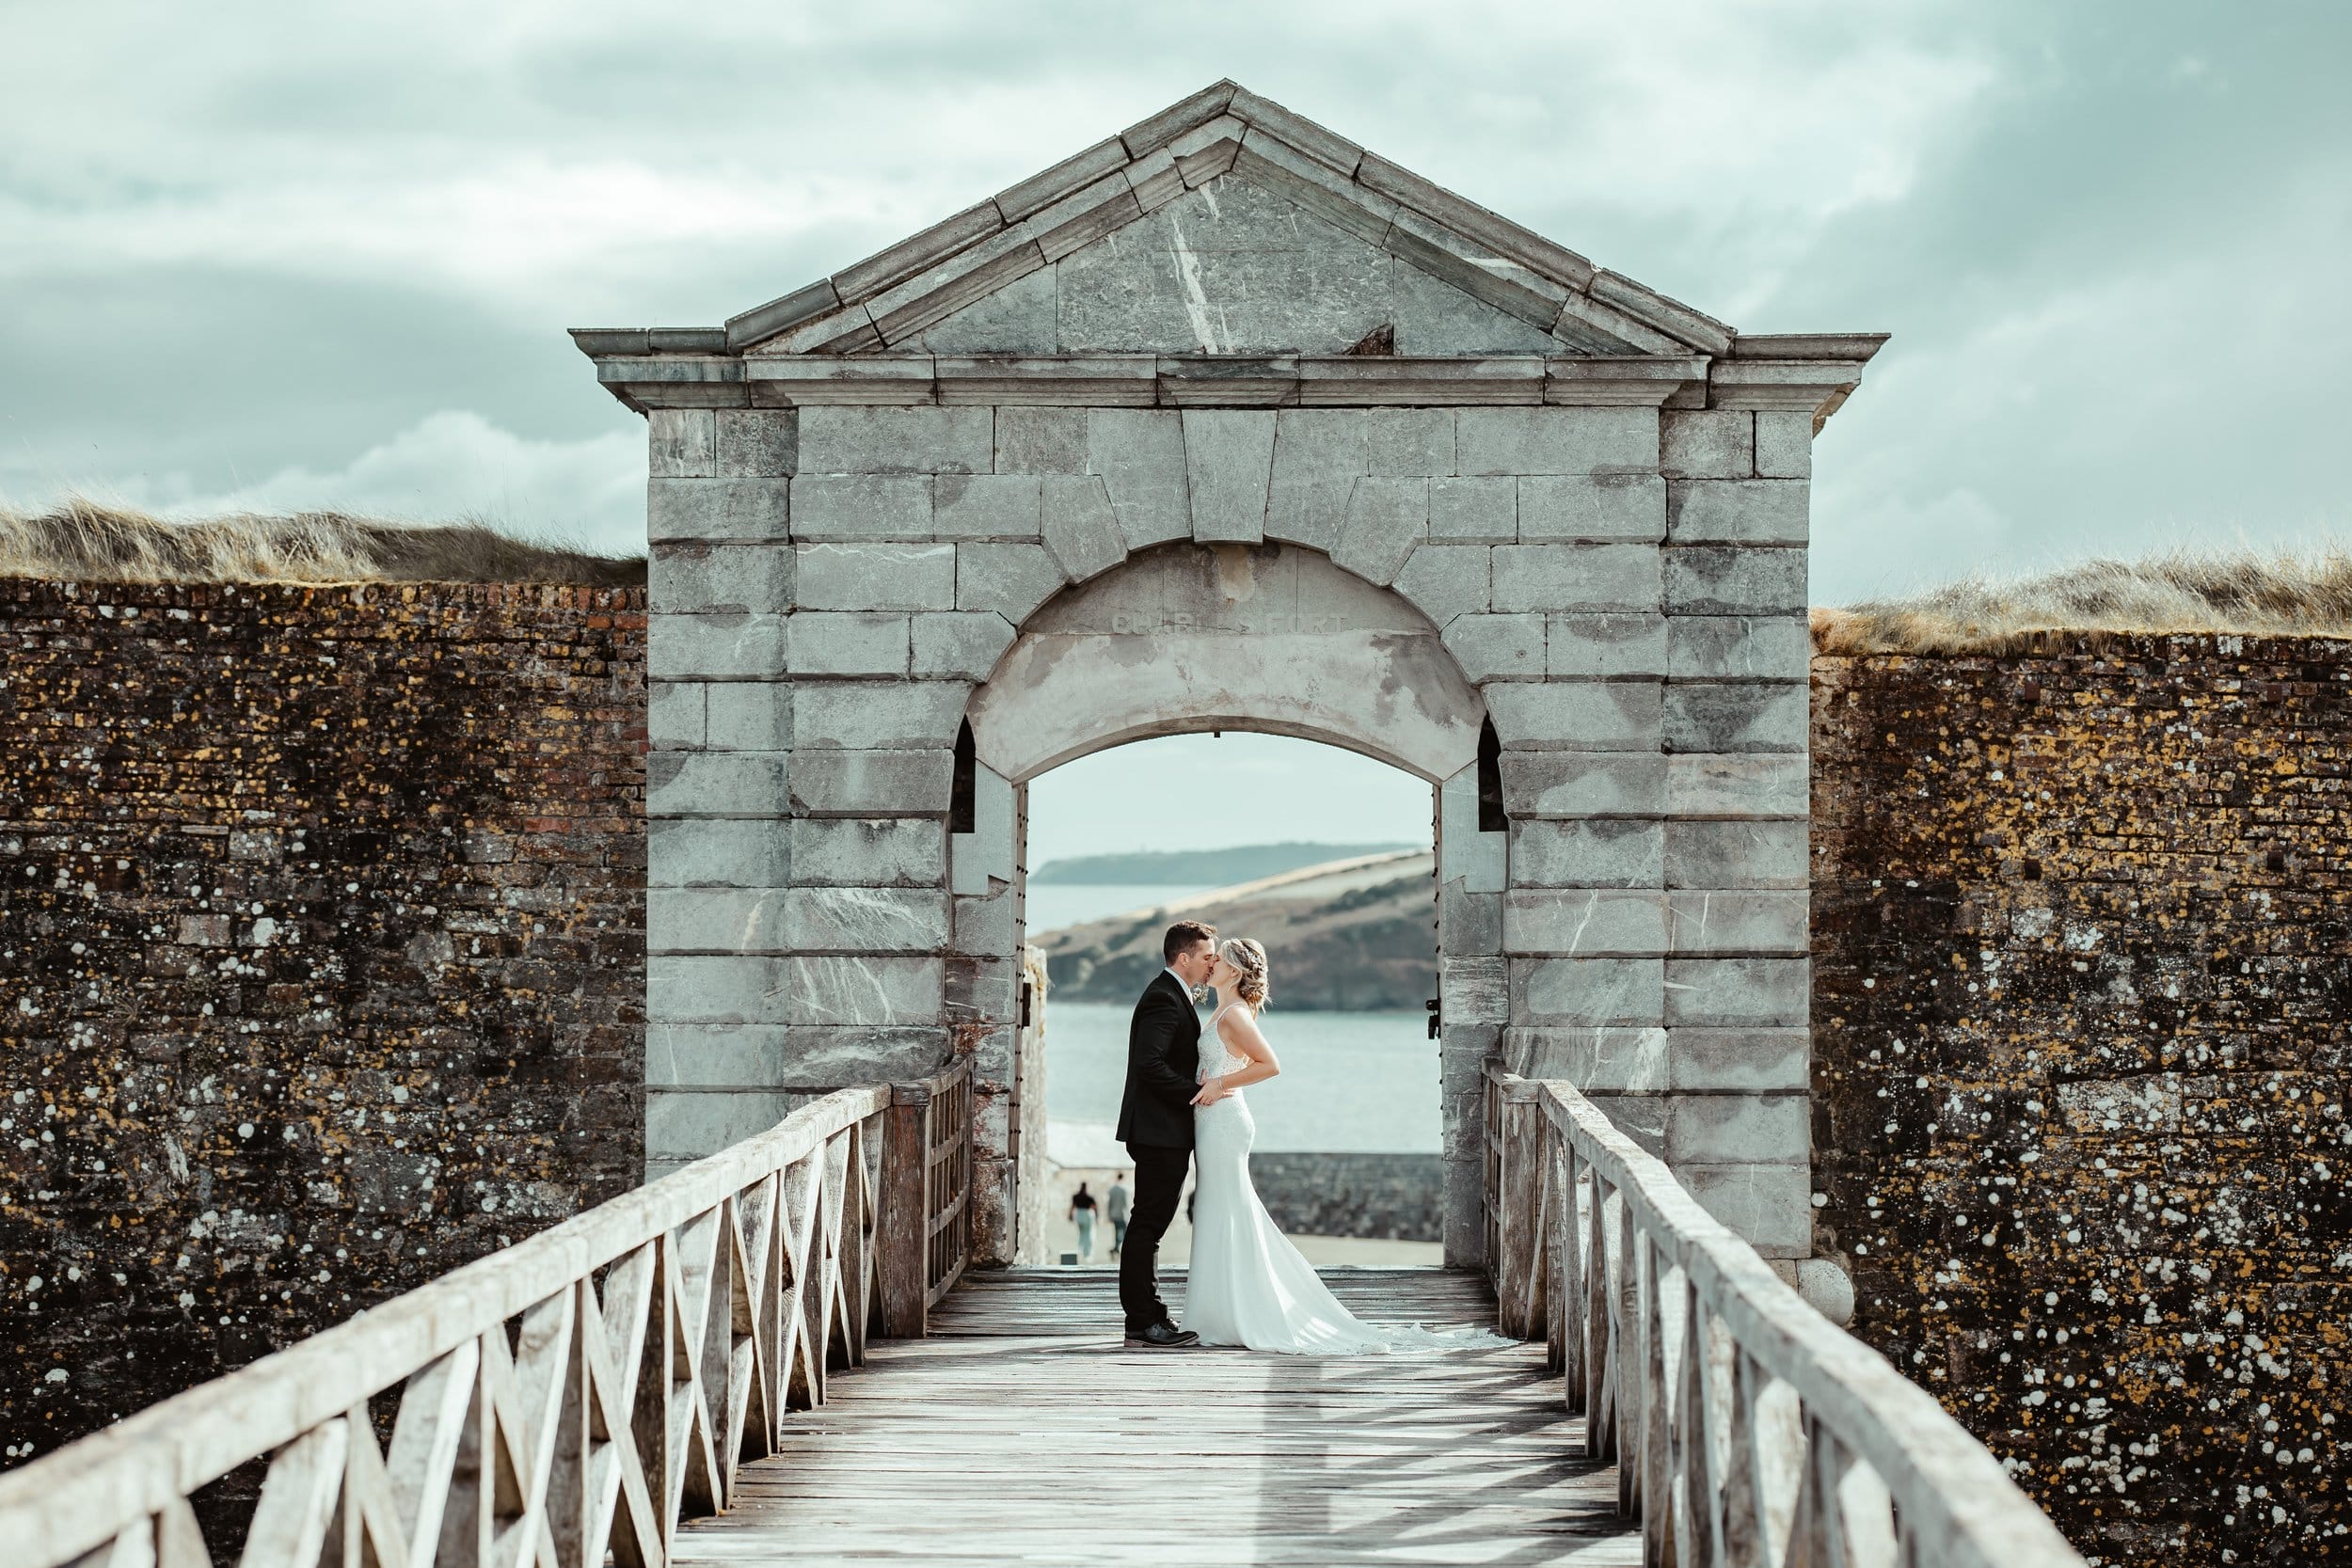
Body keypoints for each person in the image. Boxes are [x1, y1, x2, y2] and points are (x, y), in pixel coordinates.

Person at [1181, 937, 1498, 1354]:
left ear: (1235, 972)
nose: (1212, 961)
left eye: (1218, 958)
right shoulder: (1222, 1009)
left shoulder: (1236, 1014)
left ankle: (1237, 1313)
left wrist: (1220, 1083)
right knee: (1220, 1209)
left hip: (1225, 1121)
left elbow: (1270, 1065)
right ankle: (1219, 1310)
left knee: (1227, 1208)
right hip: (1213, 1121)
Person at [1113, 920, 1216, 1350]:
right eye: (1208, 956)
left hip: (1162, 1131)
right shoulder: (1163, 998)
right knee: (1147, 1227)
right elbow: (1149, 1065)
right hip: (1158, 1133)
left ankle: (1147, 1317)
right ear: (1184, 957)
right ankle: (1144, 1320)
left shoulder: (1173, 995)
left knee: (1148, 1224)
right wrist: (1197, 1092)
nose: (1213, 964)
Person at [1069, 1181, 1099, 1262]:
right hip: (1087, 1215)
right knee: (1088, 1234)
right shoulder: (1089, 1197)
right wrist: (1097, 1218)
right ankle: (1087, 1253)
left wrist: (1070, 1216)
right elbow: (1095, 1208)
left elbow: (1073, 1206)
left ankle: (1080, 1250)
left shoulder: (1076, 1197)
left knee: (1081, 1233)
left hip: (1079, 1215)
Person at [1105, 1172, 1130, 1259]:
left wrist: (1109, 1215)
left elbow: (1109, 1203)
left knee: (1117, 1233)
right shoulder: (1124, 1189)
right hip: (1122, 1214)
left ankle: (1116, 1249)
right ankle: (1116, 1249)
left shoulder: (1112, 1189)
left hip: (1114, 1214)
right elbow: (1125, 1204)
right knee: (1124, 1233)